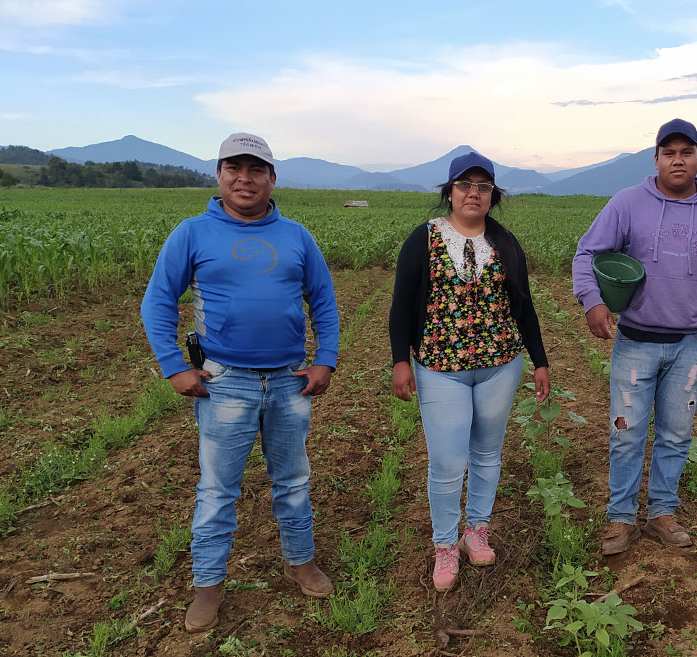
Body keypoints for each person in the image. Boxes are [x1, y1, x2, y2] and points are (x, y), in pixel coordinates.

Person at [140, 133, 340, 632]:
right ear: (219, 175)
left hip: (290, 380)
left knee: (292, 480)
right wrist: (174, 365)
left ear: (272, 179)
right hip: (224, 380)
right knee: (218, 489)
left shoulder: (297, 236)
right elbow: (158, 301)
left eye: (256, 170)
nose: (244, 179)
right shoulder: (192, 232)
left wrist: (326, 361)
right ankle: (208, 584)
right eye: (235, 168)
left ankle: (300, 561)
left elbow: (325, 302)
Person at [572, 118, 697, 555]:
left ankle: (663, 512)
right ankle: (620, 517)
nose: (677, 160)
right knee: (627, 432)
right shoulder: (628, 203)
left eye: (686, 152)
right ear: (656, 159)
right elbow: (586, 252)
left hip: (690, 345)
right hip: (634, 341)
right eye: (669, 153)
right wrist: (592, 300)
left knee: (676, 433)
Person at [388, 151, 550, 591]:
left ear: (492, 195)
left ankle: (476, 530)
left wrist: (539, 361)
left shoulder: (505, 242)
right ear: (450, 191)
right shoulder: (423, 239)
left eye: (482, 187)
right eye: (465, 185)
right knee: (446, 460)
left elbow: (525, 306)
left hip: (500, 364)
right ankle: (444, 545)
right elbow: (402, 304)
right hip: (440, 366)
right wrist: (401, 360)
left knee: (486, 453)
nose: (473, 194)